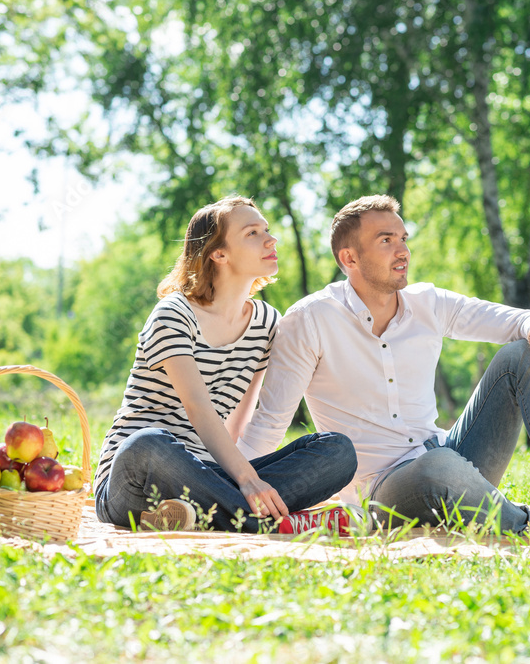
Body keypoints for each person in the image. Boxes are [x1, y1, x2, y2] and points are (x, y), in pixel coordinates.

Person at [237, 194, 530, 537]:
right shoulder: (310, 319)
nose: (402, 251)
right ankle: (527, 528)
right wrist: (236, 490)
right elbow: (270, 422)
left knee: (522, 354)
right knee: (438, 468)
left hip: (449, 452)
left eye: (403, 239)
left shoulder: (429, 303)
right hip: (383, 489)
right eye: (386, 240)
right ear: (348, 259)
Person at [94, 196, 357, 534]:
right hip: (135, 480)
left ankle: (206, 514)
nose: (270, 239)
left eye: (266, 230)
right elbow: (199, 408)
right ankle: (273, 523)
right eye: (252, 233)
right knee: (149, 443)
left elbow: (235, 424)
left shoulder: (265, 323)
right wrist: (248, 481)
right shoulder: (174, 314)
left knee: (337, 450)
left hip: (207, 479)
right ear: (219, 254)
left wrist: (248, 477)